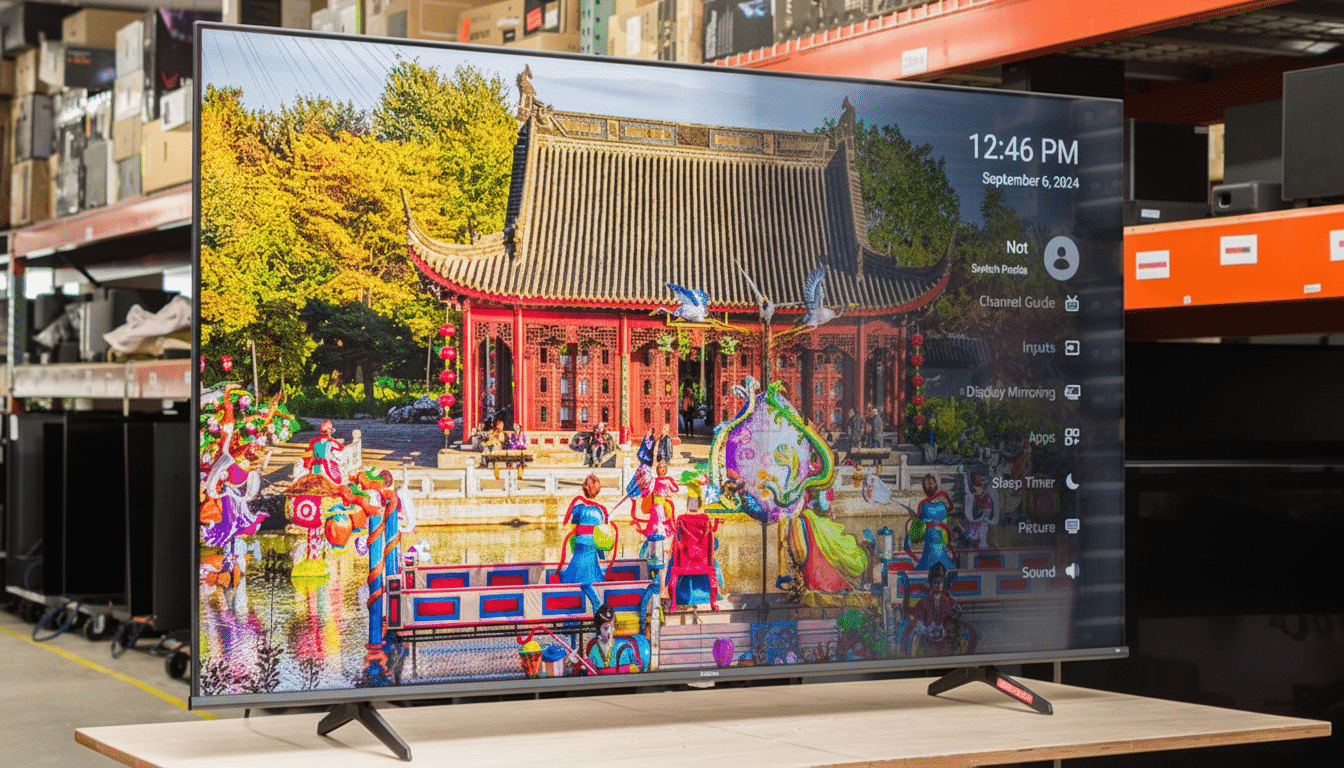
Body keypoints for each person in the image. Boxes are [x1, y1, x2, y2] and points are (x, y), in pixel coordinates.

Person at [558, 474, 613, 613]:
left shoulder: (578, 508)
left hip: (581, 542)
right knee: (592, 568)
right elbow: (602, 534)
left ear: (584, 489)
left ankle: (578, 594)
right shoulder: (600, 511)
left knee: (577, 563)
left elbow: (574, 527)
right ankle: (592, 598)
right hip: (592, 544)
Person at [907, 473, 957, 572]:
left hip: (938, 538)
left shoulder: (939, 505)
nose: (929, 486)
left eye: (931, 483)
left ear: (936, 486)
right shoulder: (924, 505)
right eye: (927, 484)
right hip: (931, 538)